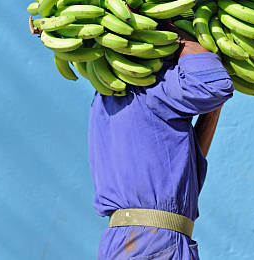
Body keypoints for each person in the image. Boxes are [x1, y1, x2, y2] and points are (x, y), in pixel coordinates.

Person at [88, 22, 235, 259]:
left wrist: (213, 109)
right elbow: (216, 84)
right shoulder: (147, 87)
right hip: (153, 241)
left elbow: (184, 158)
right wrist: (176, 34)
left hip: (139, 241)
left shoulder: (106, 99)